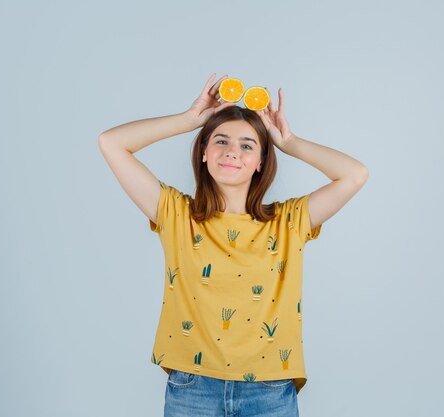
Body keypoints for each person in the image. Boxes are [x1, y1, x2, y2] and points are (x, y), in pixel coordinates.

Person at [98, 73, 369, 416]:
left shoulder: (289, 221)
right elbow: (111, 142)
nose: (232, 152)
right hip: (192, 387)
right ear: (204, 153)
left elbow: (355, 174)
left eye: (247, 145)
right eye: (221, 141)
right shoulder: (176, 214)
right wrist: (188, 120)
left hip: (269, 390)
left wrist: (289, 141)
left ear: (260, 162)